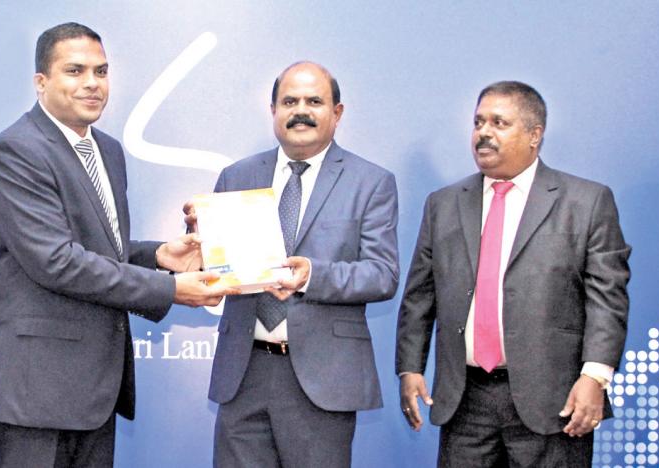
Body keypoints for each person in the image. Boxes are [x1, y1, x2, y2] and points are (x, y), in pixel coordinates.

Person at [0, 22, 236, 468]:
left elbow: (97, 246)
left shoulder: (108, 151)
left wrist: (158, 256)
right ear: (42, 82)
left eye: (101, 71)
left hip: (96, 386)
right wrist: (171, 290)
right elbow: (56, 261)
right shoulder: (17, 149)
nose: (92, 84)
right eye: (75, 71)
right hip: (36, 389)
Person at [395, 81, 630, 467]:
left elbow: (608, 299)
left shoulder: (586, 202)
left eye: (499, 123)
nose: (484, 133)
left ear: (534, 135)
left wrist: (595, 378)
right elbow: (420, 295)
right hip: (465, 401)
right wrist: (410, 367)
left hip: (553, 403)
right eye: (478, 122)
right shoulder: (443, 204)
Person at [189, 61, 400, 467]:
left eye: (314, 101)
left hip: (323, 380)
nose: (300, 110)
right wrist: (201, 244)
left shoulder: (370, 181)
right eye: (289, 101)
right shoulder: (236, 176)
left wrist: (313, 277)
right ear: (273, 111)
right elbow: (214, 270)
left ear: (337, 113)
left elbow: (383, 274)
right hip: (244, 371)